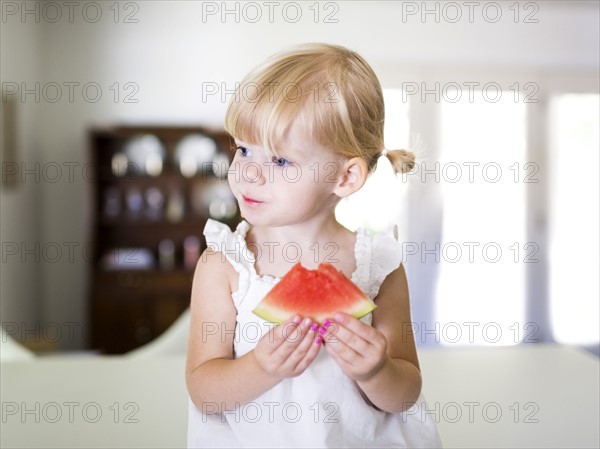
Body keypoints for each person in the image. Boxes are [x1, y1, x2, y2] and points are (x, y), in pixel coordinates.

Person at [186, 43, 441, 448]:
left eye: (281, 161)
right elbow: (204, 391)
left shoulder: (378, 266)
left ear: (345, 177)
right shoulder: (225, 265)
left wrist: (377, 372)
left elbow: (406, 392)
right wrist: (261, 367)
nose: (248, 171)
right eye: (244, 148)